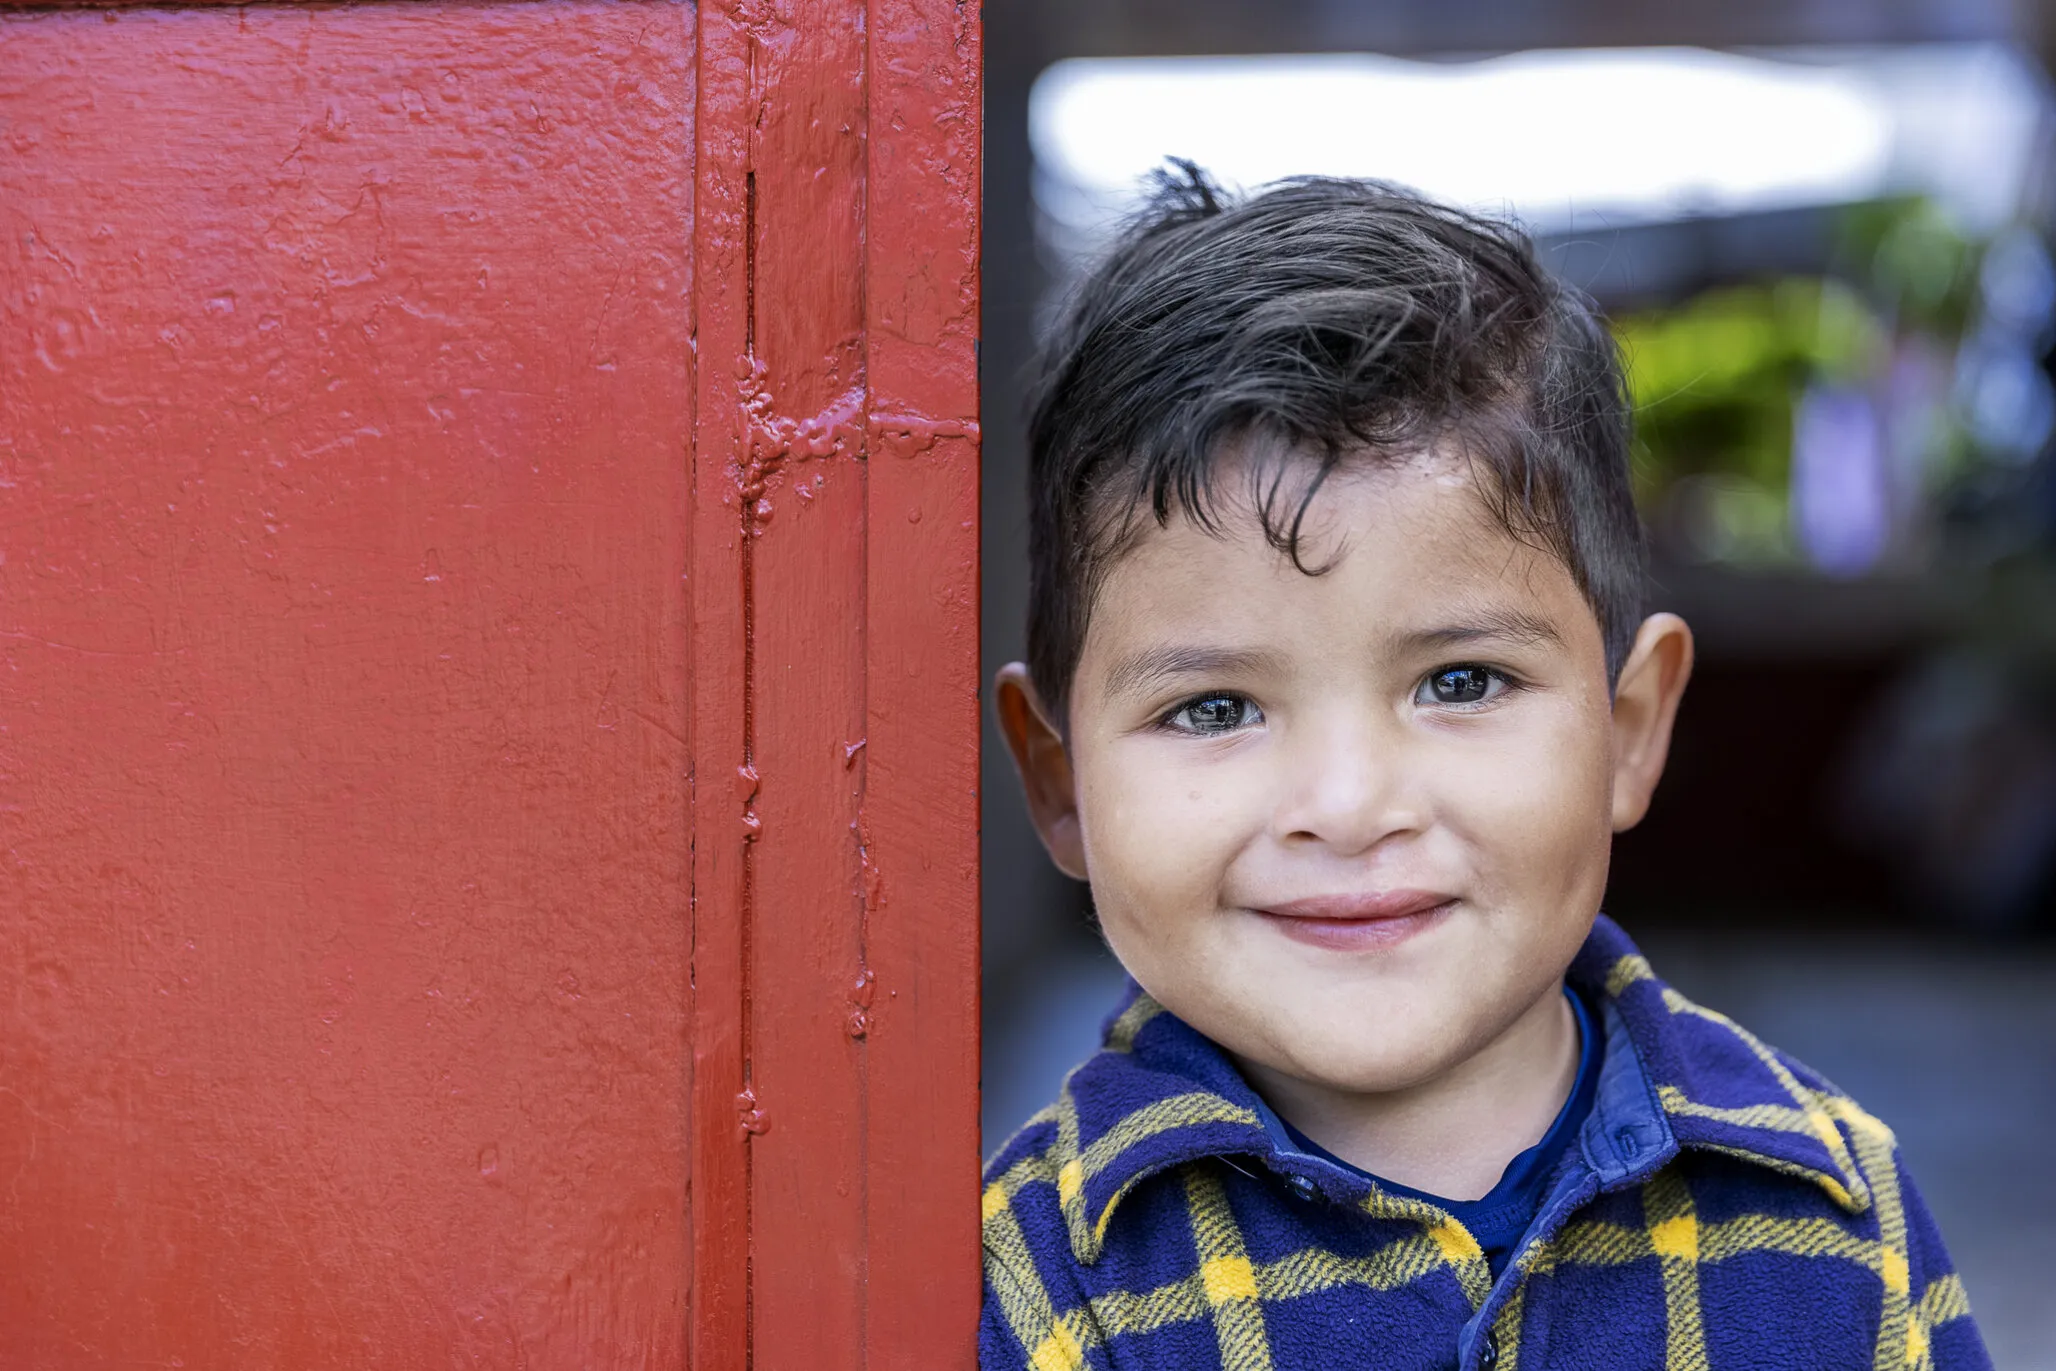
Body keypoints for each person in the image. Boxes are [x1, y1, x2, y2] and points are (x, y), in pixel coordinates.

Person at [981, 165, 1990, 1371]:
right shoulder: (1037, 1278)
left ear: (1628, 730)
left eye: (1459, 683)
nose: (1349, 806)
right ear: (1059, 785)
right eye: (1212, 708)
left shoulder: (1830, 1205)